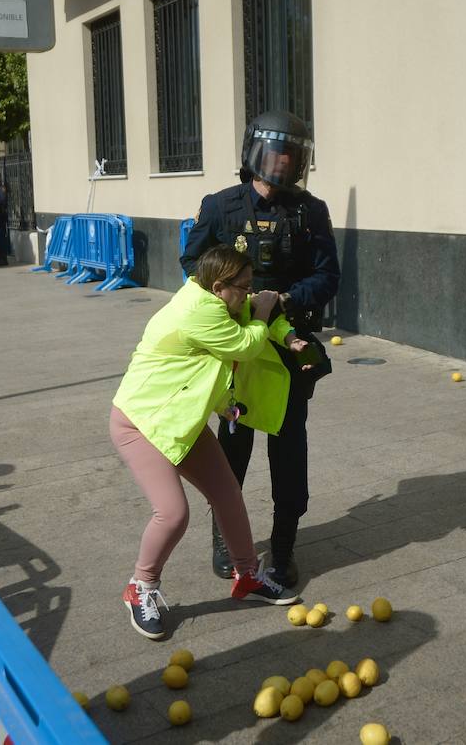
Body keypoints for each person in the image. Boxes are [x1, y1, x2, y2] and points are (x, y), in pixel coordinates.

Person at [180, 110, 340, 589]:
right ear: (254, 154)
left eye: (293, 155)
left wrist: (284, 301)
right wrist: (230, 297)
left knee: (289, 452)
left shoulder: (311, 212)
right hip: (233, 353)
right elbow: (192, 261)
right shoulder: (220, 206)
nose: (284, 163)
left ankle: (284, 548)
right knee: (230, 450)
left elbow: (328, 275)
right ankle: (226, 542)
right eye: (276, 153)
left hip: (287, 354)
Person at [111, 245, 304, 639]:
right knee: (172, 512)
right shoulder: (200, 311)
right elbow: (246, 345)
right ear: (219, 287)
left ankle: (247, 575)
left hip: (180, 420)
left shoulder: (211, 303)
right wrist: (264, 313)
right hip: (141, 424)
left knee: (227, 493)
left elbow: (210, 358)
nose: (250, 294)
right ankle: (140, 587)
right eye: (244, 287)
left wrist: (225, 405)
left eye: (253, 288)